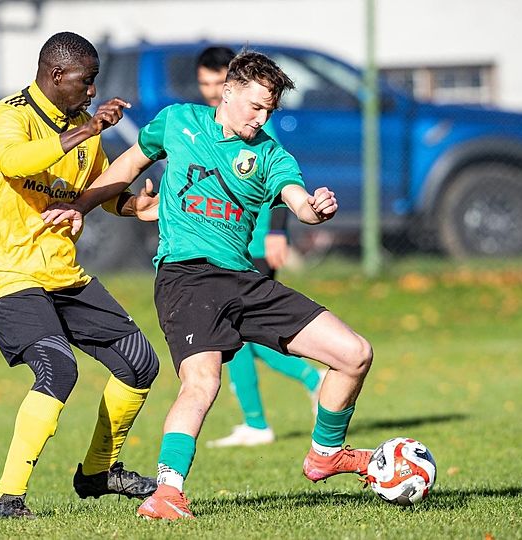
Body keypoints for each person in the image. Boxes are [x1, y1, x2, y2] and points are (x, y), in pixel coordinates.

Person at [42, 50, 374, 521]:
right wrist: (81, 205)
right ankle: (168, 493)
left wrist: (314, 208)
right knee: (202, 382)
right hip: (186, 276)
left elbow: (295, 199)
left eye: (269, 111)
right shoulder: (177, 122)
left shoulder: (270, 154)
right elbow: (126, 167)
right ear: (228, 91)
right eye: (255, 107)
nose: (261, 119)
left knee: (355, 353)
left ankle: (326, 453)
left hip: (243, 279)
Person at [0, 31, 161, 519]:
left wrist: (136, 204)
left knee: (139, 362)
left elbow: (95, 189)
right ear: (57, 75)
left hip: (62, 273)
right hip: (7, 272)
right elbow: (17, 161)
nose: (92, 91)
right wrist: (88, 129)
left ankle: (99, 472)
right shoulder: (7, 116)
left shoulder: (81, 127)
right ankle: (6, 499)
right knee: (58, 367)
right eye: (86, 81)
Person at [196, 46, 326, 449]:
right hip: (220, 248)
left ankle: (296, 389)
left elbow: (283, 182)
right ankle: (259, 418)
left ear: (232, 84)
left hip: (250, 245)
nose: (210, 91)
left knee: (239, 335)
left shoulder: (256, 128)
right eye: (204, 84)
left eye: (216, 83)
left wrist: (278, 231)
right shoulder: (204, 126)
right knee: (238, 337)